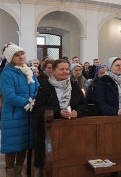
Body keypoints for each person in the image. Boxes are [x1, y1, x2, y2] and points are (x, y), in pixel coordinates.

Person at [33, 59, 90, 176]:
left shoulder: (74, 85)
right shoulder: (46, 87)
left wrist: (77, 112)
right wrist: (58, 112)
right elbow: (38, 108)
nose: (65, 72)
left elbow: (83, 104)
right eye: (61, 69)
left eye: (66, 69)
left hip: (72, 128)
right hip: (50, 128)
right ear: (53, 71)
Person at [0, 43, 39, 177]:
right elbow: (9, 95)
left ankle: (18, 172)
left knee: (24, 144)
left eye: (22, 53)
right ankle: (10, 173)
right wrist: (26, 103)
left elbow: (37, 87)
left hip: (28, 114)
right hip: (13, 115)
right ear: (11, 58)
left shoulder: (27, 70)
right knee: (11, 147)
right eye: (17, 54)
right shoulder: (7, 73)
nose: (21, 56)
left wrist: (34, 100)